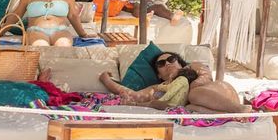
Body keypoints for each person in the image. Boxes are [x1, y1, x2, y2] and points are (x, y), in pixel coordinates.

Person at [100, 51, 244, 114]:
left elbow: (206, 75)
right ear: (159, 74)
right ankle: (233, 114)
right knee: (191, 108)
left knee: (194, 95)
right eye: (161, 63)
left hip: (220, 92)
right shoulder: (159, 87)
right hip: (206, 107)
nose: (167, 63)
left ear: (181, 64)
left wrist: (194, 85)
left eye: (172, 59)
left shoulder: (192, 66)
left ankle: (240, 109)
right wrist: (106, 80)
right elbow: (132, 95)